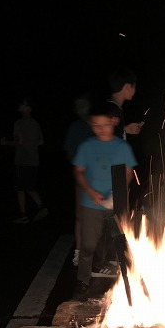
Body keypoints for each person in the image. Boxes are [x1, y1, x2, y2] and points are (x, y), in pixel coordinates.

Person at [72, 101, 137, 298]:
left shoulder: (121, 147)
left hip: (116, 204)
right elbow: (78, 171)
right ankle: (83, 281)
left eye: (105, 125)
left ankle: (128, 282)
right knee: (88, 245)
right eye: (96, 126)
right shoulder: (86, 147)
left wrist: (117, 194)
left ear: (113, 122)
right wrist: (91, 192)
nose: (101, 130)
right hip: (91, 204)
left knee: (120, 243)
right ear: (91, 125)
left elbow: (128, 172)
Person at [2, 97, 47, 224]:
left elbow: (18, 142)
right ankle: (36, 209)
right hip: (33, 159)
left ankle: (29, 212)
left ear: (28, 108)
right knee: (27, 187)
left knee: (21, 188)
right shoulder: (35, 123)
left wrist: (5, 142)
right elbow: (40, 141)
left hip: (22, 160)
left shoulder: (19, 123)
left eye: (23, 104)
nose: (20, 105)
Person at [64, 94, 94, 266]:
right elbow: (69, 152)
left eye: (84, 104)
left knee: (102, 217)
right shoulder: (75, 127)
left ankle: (100, 254)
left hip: (101, 179)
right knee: (80, 215)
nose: (81, 108)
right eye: (78, 105)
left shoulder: (98, 124)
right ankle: (79, 252)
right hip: (82, 178)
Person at [107, 67, 143, 139]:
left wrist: (125, 129)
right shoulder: (114, 112)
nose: (135, 91)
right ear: (127, 87)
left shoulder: (110, 107)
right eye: (134, 87)